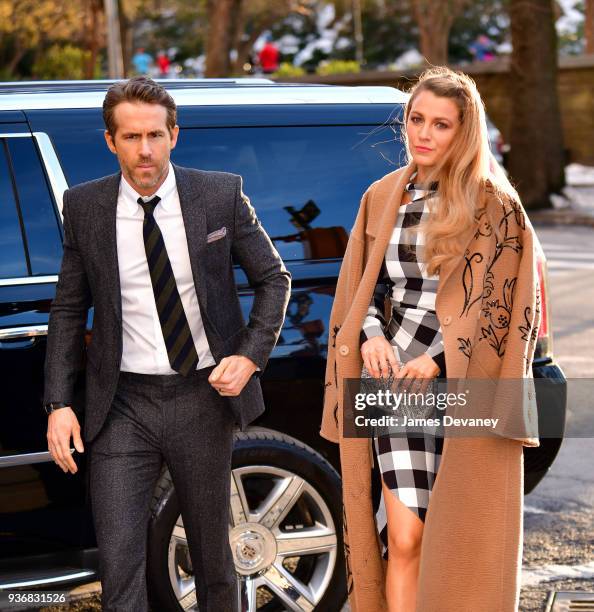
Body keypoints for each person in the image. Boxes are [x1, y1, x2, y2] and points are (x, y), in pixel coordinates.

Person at [44, 76, 291, 612]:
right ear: (111, 141)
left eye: (155, 135)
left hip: (202, 398)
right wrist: (59, 403)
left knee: (212, 558)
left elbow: (274, 279)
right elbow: (68, 308)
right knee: (118, 559)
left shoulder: (218, 195)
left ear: (174, 135)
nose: (145, 150)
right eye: (131, 137)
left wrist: (249, 355)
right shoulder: (85, 208)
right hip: (121, 405)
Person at [320, 66, 541, 611]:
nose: (423, 134)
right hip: (395, 384)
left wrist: (439, 362)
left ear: (463, 133)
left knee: (463, 542)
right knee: (405, 538)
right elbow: (359, 287)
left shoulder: (496, 207)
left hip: (467, 386)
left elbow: (505, 309)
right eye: (416, 119)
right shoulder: (382, 197)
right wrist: (370, 336)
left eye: (440, 125)